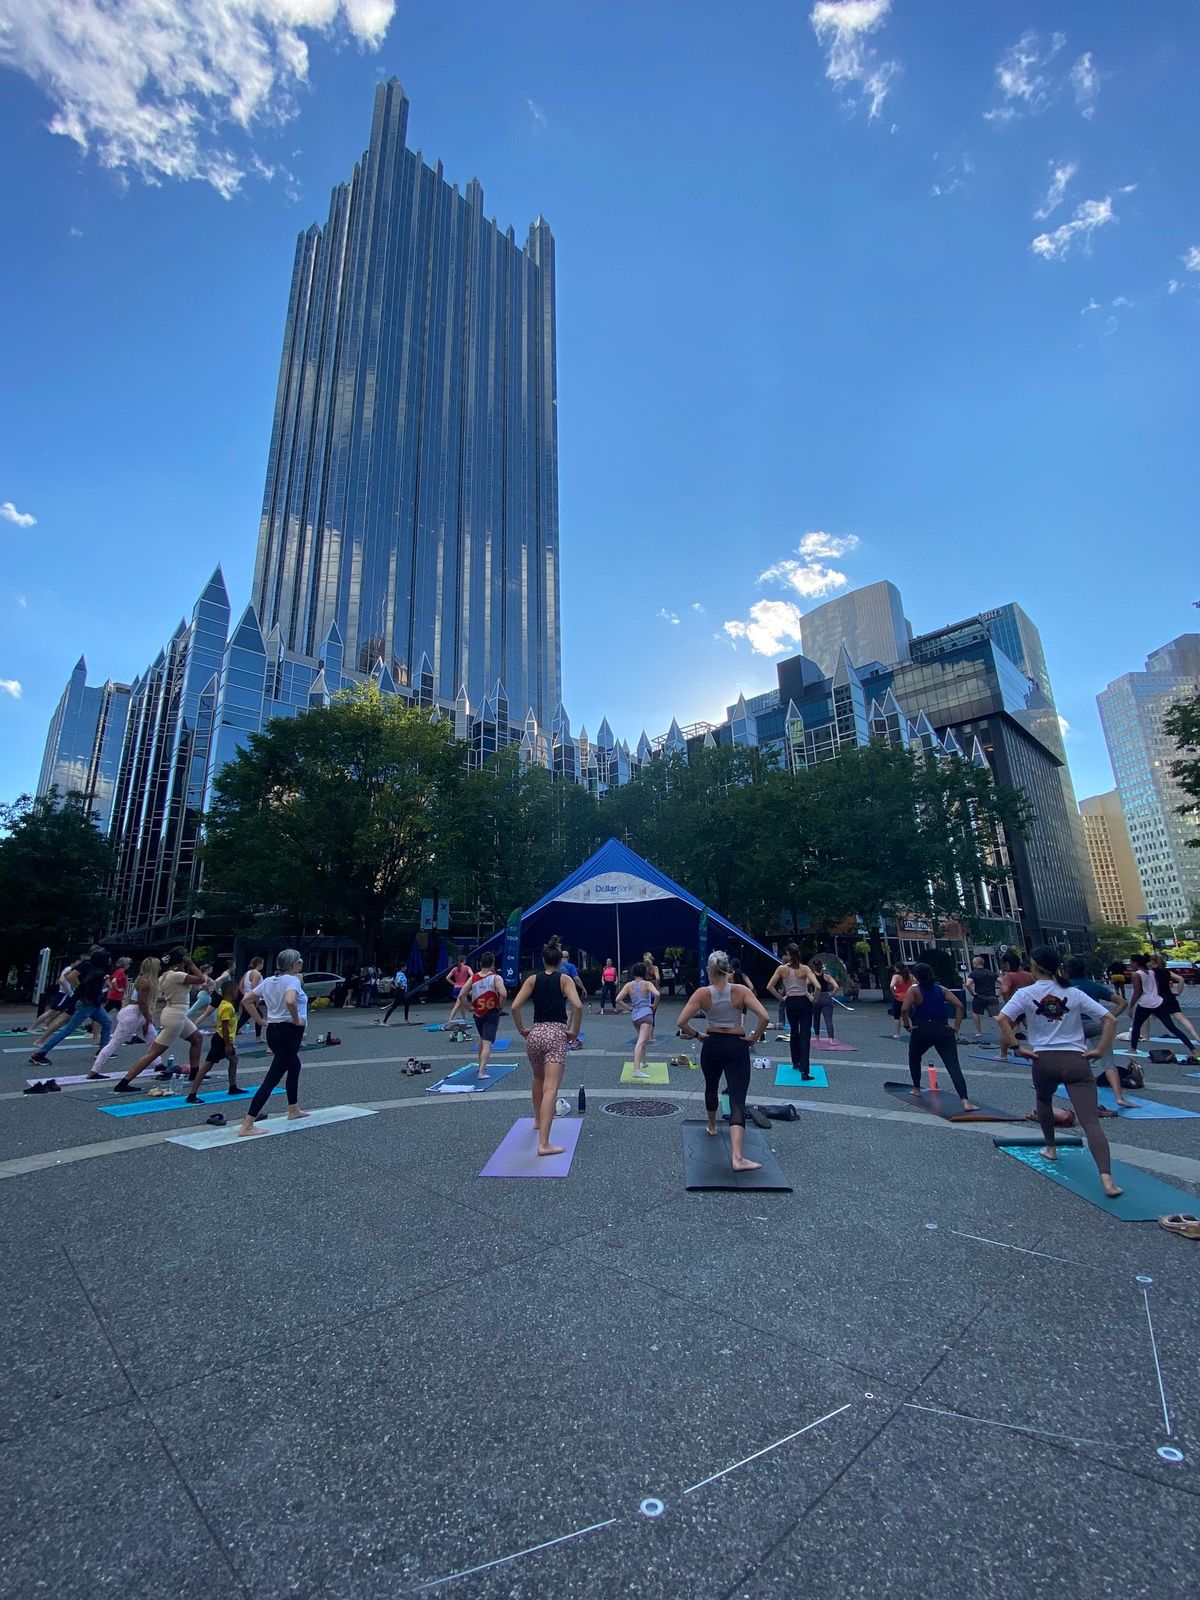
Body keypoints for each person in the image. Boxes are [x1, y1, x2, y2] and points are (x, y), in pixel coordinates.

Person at [998, 945, 1121, 1198]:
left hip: (1043, 1059)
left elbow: (1002, 1019)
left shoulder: (1026, 994)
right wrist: (1100, 1049)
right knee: (1090, 1122)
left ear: (1033, 965)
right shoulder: (1073, 993)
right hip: (1076, 1059)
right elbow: (1111, 1018)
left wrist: (1017, 1047)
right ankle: (1107, 1181)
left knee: (1043, 1100)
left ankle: (1051, 1148)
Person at [677, 951, 770, 1172]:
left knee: (711, 1085)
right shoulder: (741, 991)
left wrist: (698, 1035)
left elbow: (681, 1021)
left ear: (709, 971)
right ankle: (737, 1157)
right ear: (728, 969)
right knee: (737, 1098)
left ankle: (711, 1126)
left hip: (712, 1044)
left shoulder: (702, 993)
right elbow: (764, 1017)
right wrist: (753, 1038)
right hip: (736, 1045)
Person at [510, 939, 583, 1157]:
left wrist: (522, 1029)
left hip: (536, 1033)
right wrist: (575, 1031)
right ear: (561, 960)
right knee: (551, 1088)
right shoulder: (565, 979)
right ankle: (544, 1144)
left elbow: (514, 1006)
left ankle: (537, 1120)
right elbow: (577, 1006)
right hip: (556, 1034)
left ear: (543, 959)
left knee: (538, 1079)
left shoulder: (532, 979)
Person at [237, 950, 310, 1135]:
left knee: (294, 1066)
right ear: (294, 965)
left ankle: (293, 1108)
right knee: (273, 1077)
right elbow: (290, 1000)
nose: (301, 965)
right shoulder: (292, 981)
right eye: (299, 962)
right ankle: (248, 1123)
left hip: (274, 1030)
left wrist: (261, 1021)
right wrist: (296, 1019)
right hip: (289, 1031)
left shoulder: (269, 980)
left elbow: (246, 999)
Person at [112, 949, 206, 1091]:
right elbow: (201, 979)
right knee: (154, 1052)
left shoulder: (163, 977)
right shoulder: (176, 975)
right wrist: (192, 964)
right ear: (179, 963)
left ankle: (194, 1073)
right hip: (176, 1016)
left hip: (175, 1014)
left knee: (197, 1039)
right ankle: (123, 1083)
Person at [900, 963, 977, 1111]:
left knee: (914, 1057)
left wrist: (907, 1026)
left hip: (922, 1029)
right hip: (943, 1028)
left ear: (916, 976)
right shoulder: (941, 989)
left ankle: (916, 1088)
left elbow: (904, 1009)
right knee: (953, 1064)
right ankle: (965, 1100)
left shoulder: (914, 990)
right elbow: (959, 1005)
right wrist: (956, 1027)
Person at [1061, 957, 1133, 1108]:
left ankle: (1080, 1092)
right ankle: (1119, 1096)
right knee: (1108, 1062)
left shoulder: (1063, 988)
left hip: (1073, 1027)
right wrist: (1109, 1017)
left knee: (1072, 1059)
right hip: (1095, 1025)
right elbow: (1122, 1002)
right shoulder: (1094, 986)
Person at [29, 949, 114, 1067]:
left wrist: (81, 991)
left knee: (107, 1023)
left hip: (91, 1004)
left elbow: (78, 980)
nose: (110, 960)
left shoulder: (93, 968)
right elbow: (82, 982)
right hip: (88, 1004)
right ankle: (40, 1054)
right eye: (108, 958)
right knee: (67, 1030)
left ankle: (103, 1051)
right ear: (104, 960)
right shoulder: (97, 972)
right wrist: (83, 991)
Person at [89, 957, 161, 1079]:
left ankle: (159, 1065)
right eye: (158, 965)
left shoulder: (141, 980)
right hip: (135, 1013)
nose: (160, 967)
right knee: (116, 1042)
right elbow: (142, 1002)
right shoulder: (147, 982)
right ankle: (94, 1071)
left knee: (152, 1038)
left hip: (133, 1012)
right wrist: (147, 1019)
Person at [186, 978, 246, 1101]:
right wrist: (228, 1045)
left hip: (222, 1039)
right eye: (236, 990)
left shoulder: (224, 1004)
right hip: (222, 1040)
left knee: (234, 1060)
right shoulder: (227, 1006)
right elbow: (225, 1026)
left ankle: (233, 1087)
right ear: (230, 991)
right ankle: (192, 1094)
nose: (237, 993)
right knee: (207, 1066)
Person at [767, 944, 818, 1080]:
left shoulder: (782, 969)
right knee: (805, 1035)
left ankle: (795, 1061)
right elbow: (817, 986)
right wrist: (814, 998)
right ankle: (805, 1070)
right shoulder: (805, 969)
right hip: (804, 1002)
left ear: (789, 955)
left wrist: (782, 998)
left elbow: (769, 986)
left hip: (791, 1002)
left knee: (794, 1031)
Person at [463, 952, 508, 1079]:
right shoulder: (496, 978)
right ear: (493, 963)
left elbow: (461, 995)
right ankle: (481, 1071)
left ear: (480, 963)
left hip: (478, 1013)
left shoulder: (473, 978)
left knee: (483, 1039)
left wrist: (469, 1007)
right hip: (491, 1012)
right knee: (487, 1042)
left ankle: (480, 1065)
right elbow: (503, 993)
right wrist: (500, 1006)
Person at [1149, 954, 1200, 1062]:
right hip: (1170, 997)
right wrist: (1178, 992)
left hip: (1159, 999)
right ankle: (1196, 1037)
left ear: (1153, 962)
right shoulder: (1166, 972)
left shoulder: (1151, 973)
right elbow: (1181, 979)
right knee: (1181, 1018)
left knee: (1146, 1016)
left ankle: (1142, 1037)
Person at [615, 961, 660, 1077]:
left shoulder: (629, 985)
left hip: (635, 1016)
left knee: (642, 1039)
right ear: (644, 972)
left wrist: (629, 1008)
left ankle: (644, 1061)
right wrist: (654, 1006)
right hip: (646, 1014)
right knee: (640, 1042)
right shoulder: (647, 984)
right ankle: (636, 1070)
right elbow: (657, 994)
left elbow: (618, 999)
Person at [996, 955, 1035, 1062]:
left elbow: (1004, 990)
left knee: (1006, 1030)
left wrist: (1007, 1001)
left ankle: (1003, 1054)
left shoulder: (1009, 976)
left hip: (1015, 1008)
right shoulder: (1028, 975)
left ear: (1007, 964)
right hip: (1028, 1007)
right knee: (1034, 1029)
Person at [964, 956, 1000, 1041]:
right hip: (992, 996)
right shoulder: (991, 973)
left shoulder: (973, 973)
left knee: (976, 1013)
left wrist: (972, 993)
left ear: (975, 964)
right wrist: (999, 994)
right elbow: (1002, 982)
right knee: (996, 1015)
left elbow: (967, 984)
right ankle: (1002, 1030)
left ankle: (978, 1032)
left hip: (979, 997)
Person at [809, 960, 840, 1041]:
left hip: (816, 997)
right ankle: (831, 1039)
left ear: (813, 967)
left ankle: (817, 1037)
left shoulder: (811, 977)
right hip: (826, 996)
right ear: (822, 966)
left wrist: (810, 995)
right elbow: (836, 987)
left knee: (816, 1018)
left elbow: (804, 986)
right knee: (828, 1019)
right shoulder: (827, 976)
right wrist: (831, 994)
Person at [237, 956, 265, 1039]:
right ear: (259, 964)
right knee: (258, 1017)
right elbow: (254, 987)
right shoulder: (257, 974)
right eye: (262, 963)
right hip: (252, 999)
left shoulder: (247, 973)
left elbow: (241, 986)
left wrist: (245, 995)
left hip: (246, 998)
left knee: (245, 1017)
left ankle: (258, 1037)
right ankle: (258, 1037)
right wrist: (256, 1000)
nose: (263, 965)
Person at [887, 964, 912, 1040]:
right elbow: (916, 984)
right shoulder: (910, 976)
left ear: (897, 968)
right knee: (911, 1014)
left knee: (897, 1016)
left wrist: (894, 993)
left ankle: (897, 1034)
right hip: (908, 997)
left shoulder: (896, 976)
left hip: (898, 997)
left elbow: (891, 986)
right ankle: (915, 1030)